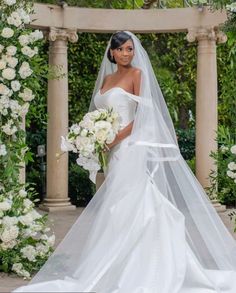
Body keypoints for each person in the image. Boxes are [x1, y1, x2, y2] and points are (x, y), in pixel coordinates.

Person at [14, 31, 236, 293]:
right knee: (116, 203)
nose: (126, 54)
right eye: (121, 49)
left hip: (130, 146)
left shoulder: (137, 75)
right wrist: (95, 137)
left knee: (128, 201)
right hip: (112, 150)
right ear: (112, 52)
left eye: (130, 49)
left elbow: (144, 113)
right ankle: (118, 263)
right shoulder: (108, 78)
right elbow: (102, 114)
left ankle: (139, 268)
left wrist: (114, 137)